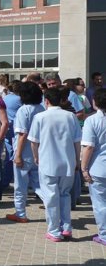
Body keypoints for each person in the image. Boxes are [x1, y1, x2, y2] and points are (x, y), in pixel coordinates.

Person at [29, 87, 82, 242]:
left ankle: (54, 230)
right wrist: (77, 161)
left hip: (48, 161)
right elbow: (77, 141)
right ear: (62, 100)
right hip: (67, 162)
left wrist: (36, 157)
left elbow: (33, 142)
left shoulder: (40, 117)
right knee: (65, 194)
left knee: (51, 197)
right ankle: (66, 227)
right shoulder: (70, 116)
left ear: (46, 101)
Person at [6, 81, 44, 223]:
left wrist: (18, 155)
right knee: (39, 185)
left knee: (20, 186)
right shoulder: (41, 108)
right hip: (38, 152)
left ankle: (20, 213)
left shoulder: (23, 110)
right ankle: (53, 207)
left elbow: (22, 134)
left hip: (24, 152)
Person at [80, 88, 106, 246]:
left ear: (95, 102)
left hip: (99, 167)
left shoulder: (92, 120)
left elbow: (88, 147)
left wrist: (84, 168)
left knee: (100, 203)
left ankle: (104, 234)